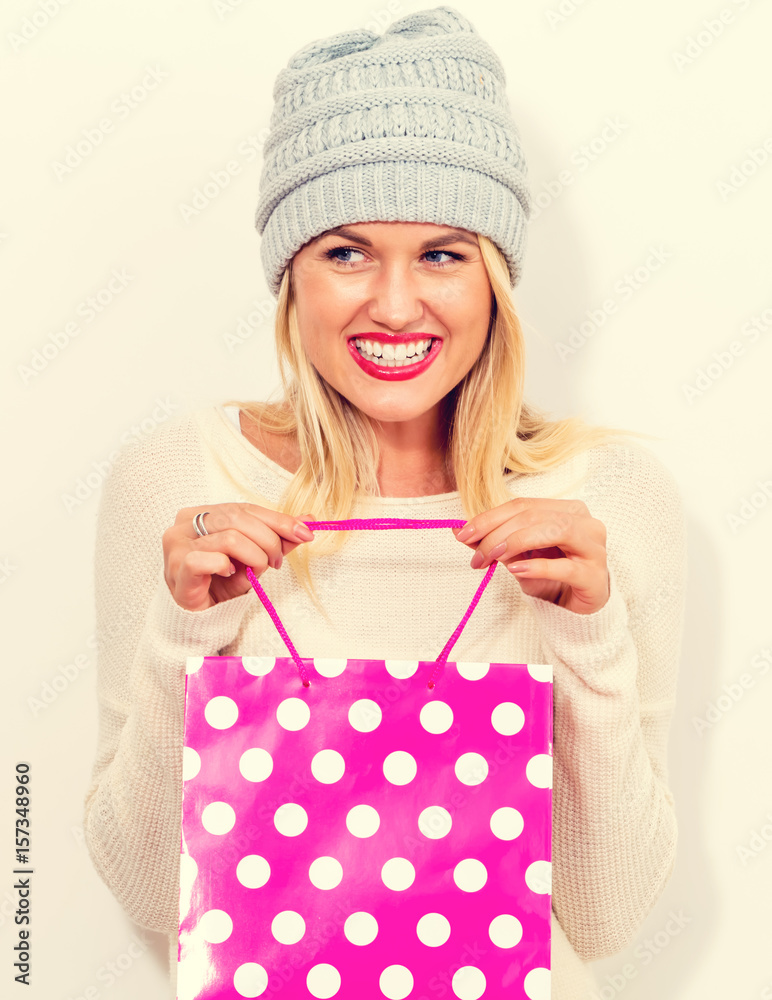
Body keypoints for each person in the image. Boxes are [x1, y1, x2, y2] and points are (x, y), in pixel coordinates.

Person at [83, 7, 687, 999]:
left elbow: (606, 916)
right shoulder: (178, 483)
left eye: (445, 253)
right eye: (346, 252)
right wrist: (179, 637)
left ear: (496, 278)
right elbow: (151, 892)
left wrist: (590, 641)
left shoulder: (602, 501)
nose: (397, 305)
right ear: (290, 276)